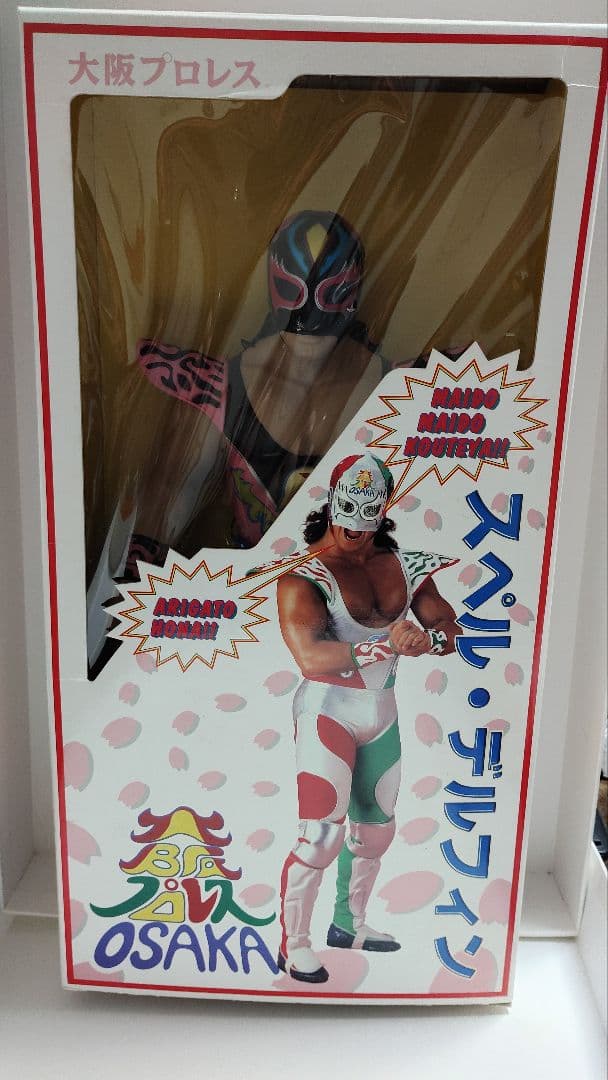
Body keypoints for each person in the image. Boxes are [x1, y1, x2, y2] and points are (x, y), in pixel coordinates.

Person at [87, 211, 410, 668]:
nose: (311, 313)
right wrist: (119, 620)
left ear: (352, 291)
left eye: (329, 293)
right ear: (275, 286)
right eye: (296, 291)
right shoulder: (224, 389)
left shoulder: (401, 393)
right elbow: (163, 508)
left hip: (363, 620)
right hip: (253, 618)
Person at [276, 452, 459, 983]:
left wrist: (428, 640)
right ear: (332, 503)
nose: (356, 527)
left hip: (382, 709)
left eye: (368, 512)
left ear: (383, 509)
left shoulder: (403, 565)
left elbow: (447, 626)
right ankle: (294, 943)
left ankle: (348, 925)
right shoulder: (303, 575)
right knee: (320, 836)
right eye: (348, 510)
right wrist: (388, 644)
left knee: (376, 830)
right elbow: (310, 656)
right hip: (328, 710)